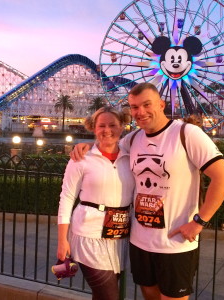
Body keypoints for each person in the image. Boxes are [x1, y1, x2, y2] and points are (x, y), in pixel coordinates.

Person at [71, 82, 224, 300]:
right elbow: (106, 145)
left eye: (146, 105)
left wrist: (199, 222)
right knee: (149, 296)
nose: (140, 112)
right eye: (134, 107)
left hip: (174, 243)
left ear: (161, 104)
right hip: (140, 241)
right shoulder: (133, 139)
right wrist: (85, 147)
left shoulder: (187, 134)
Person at [57, 106, 135, 300]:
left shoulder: (131, 155)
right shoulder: (81, 159)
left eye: (112, 125)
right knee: (109, 295)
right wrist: (62, 240)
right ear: (93, 128)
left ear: (122, 127)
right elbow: (66, 197)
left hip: (118, 234)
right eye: (101, 125)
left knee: (101, 295)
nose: (107, 130)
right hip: (88, 234)